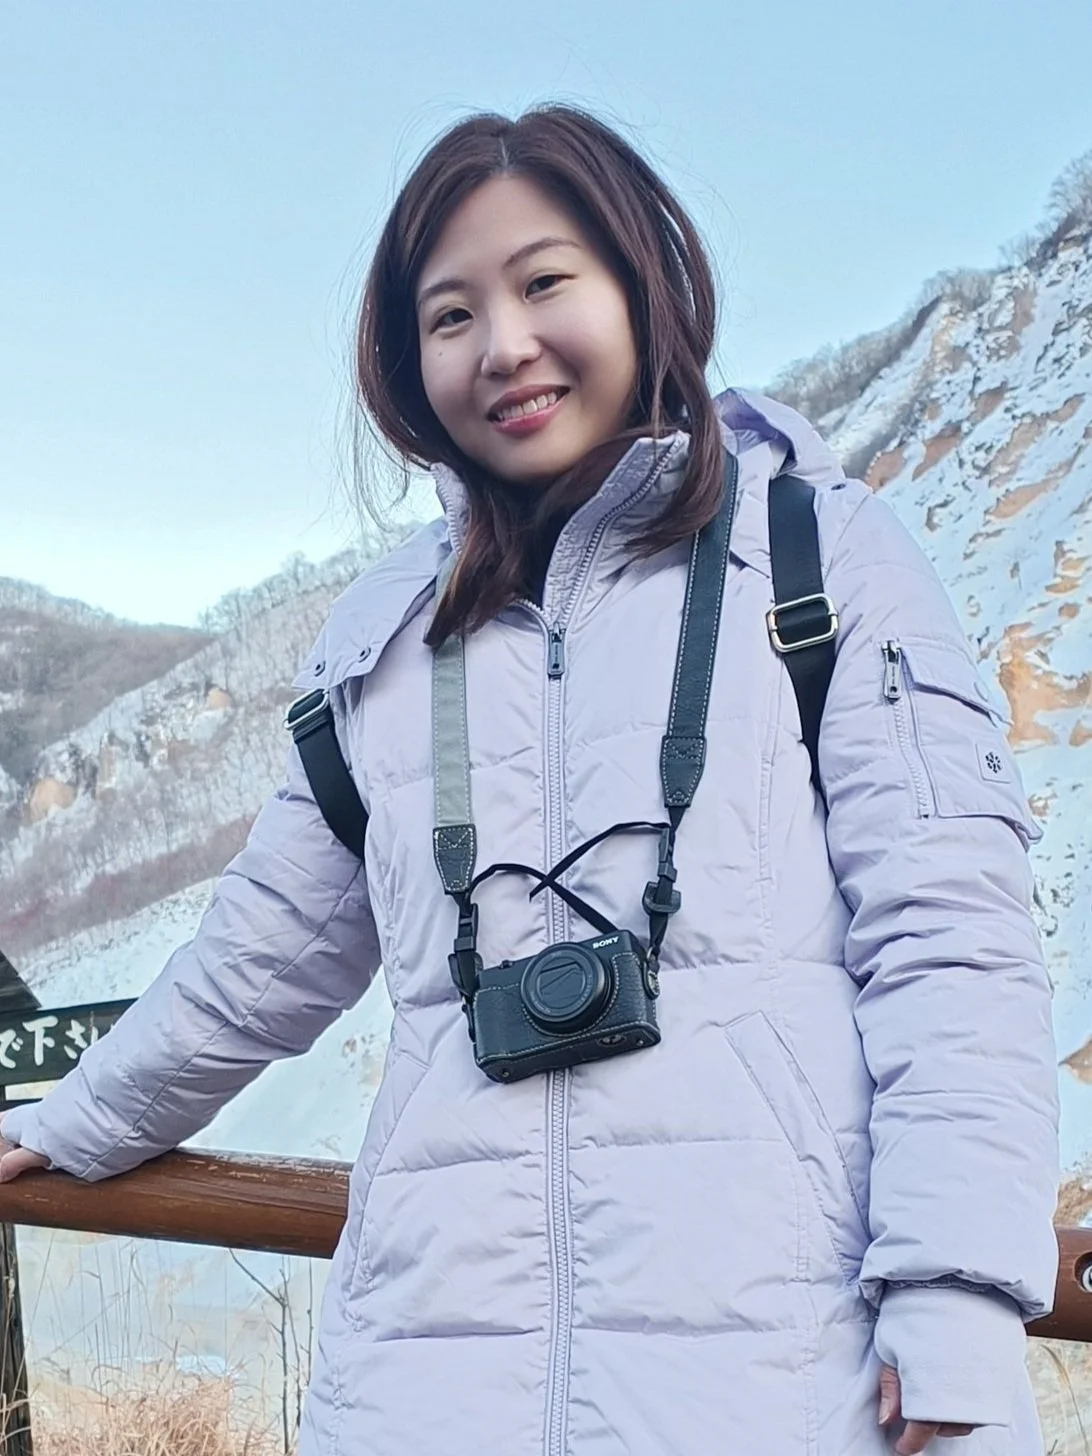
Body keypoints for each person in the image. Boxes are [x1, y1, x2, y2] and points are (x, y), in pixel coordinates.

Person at [0, 106, 1059, 1455]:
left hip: (784, 1385)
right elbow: (256, 959)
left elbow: (952, 943)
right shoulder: (381, 640)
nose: (502, 346)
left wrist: (956, 1287)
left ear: (641, 285)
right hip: (428, 1385)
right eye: (450, 315)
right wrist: (79, 1120)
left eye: (545, 281)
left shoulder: (820, 558)